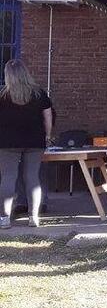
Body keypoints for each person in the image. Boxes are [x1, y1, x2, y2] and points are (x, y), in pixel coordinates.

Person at [0, 59, 53, 229]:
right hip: (34, 141)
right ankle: (33, 217)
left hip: (7, 142)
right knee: (32, 178)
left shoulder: (2, 95)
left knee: (8, 178)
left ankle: (5, 219)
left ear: (8, 75)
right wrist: (48, 135)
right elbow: (48, 117)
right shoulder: (39, 94)